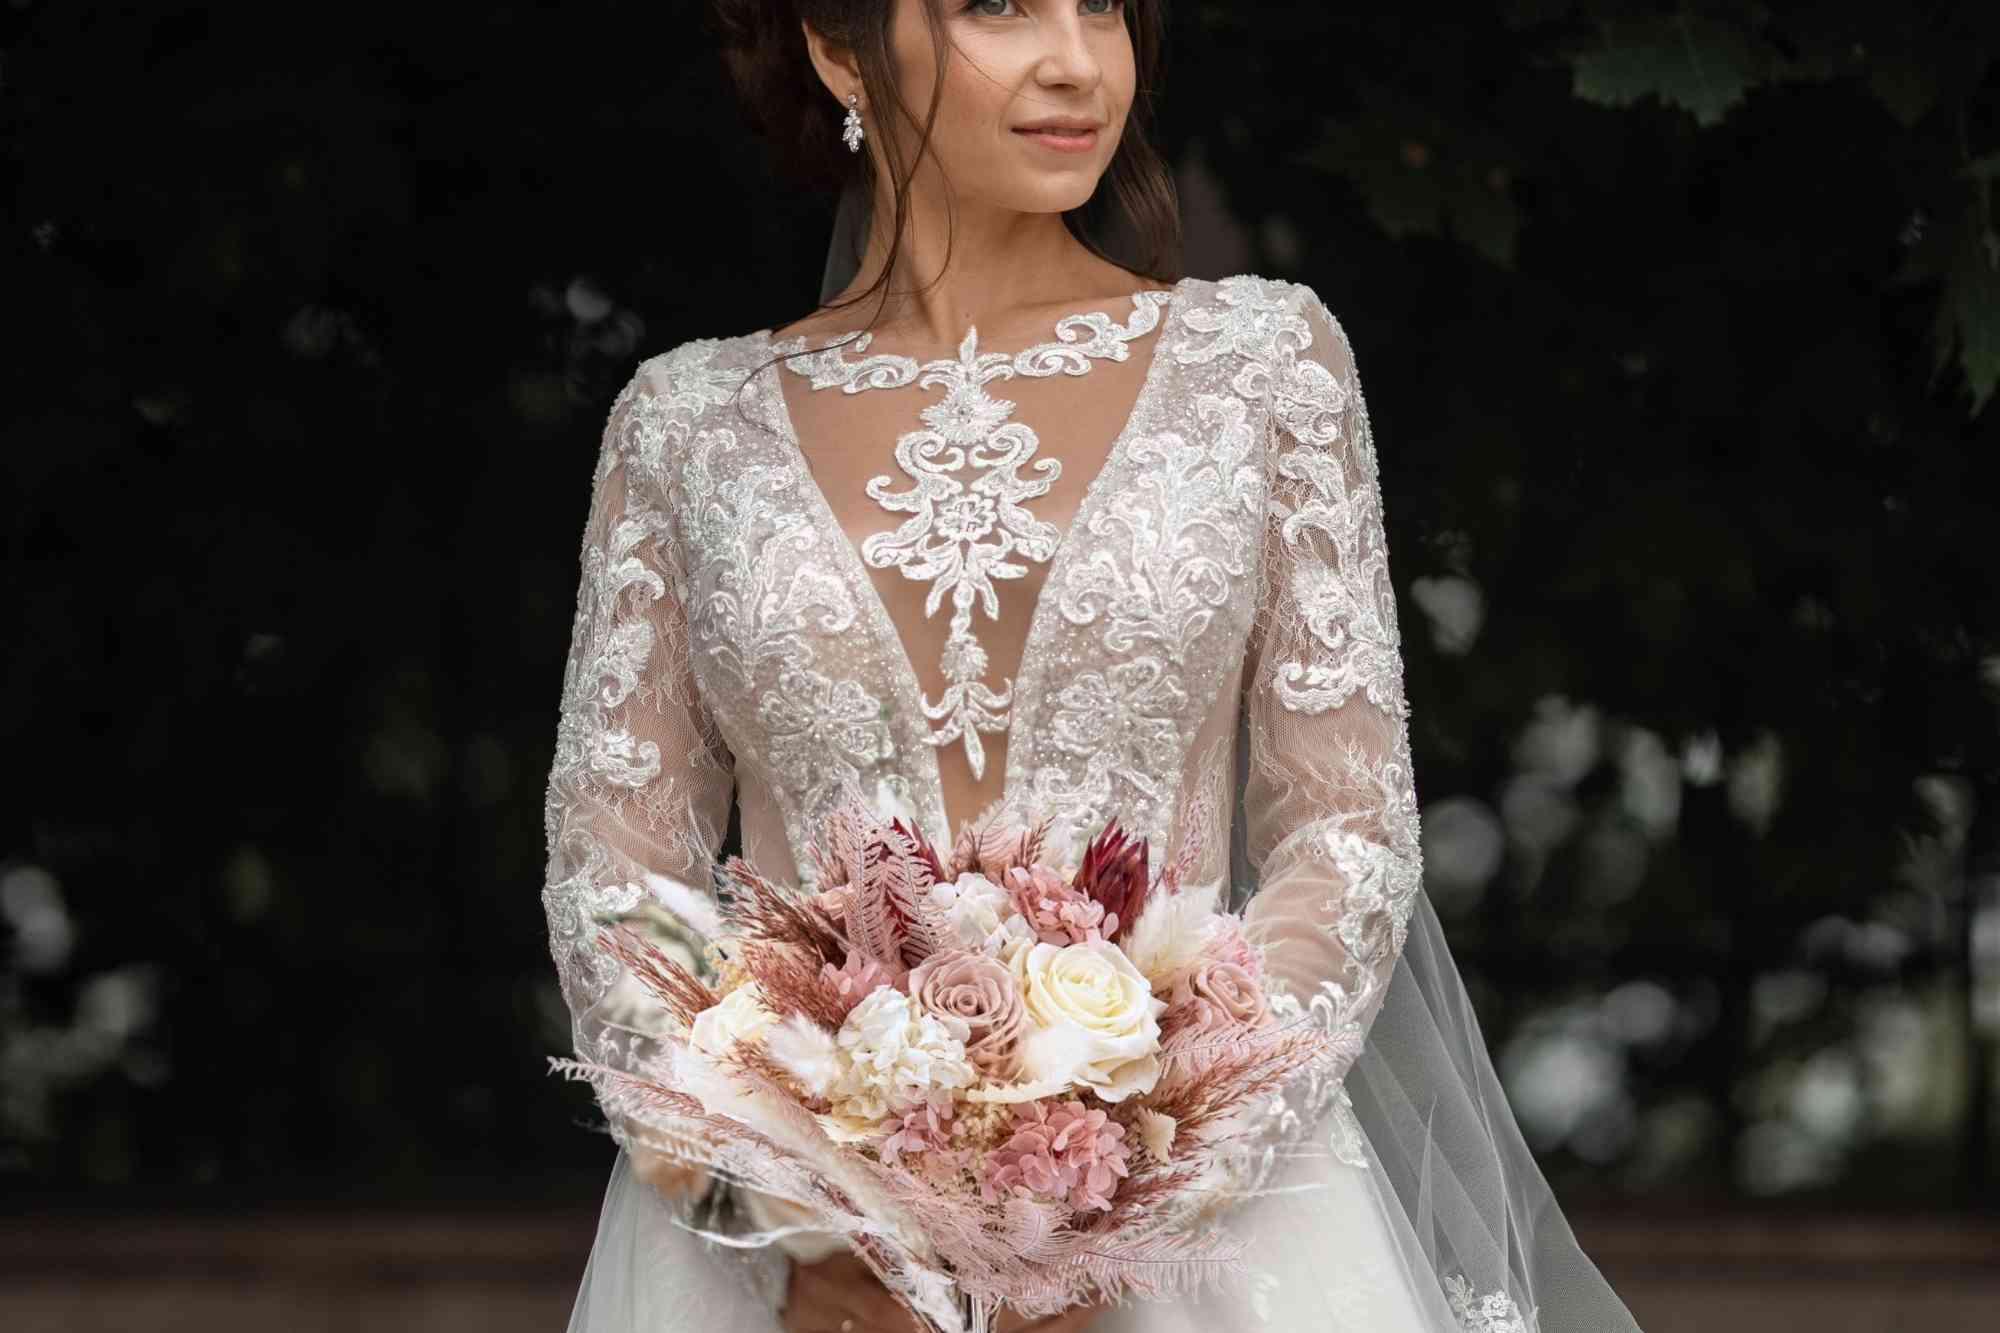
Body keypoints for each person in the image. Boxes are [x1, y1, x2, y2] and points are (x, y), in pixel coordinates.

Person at [542, 3, 1648, 1331]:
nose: (1079, 60)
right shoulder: (681, 427)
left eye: (1108, 5)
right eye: (1000, 5)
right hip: (789, 1263)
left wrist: (1130, 1194)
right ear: (841, 48)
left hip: (1208, 1243)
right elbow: (619, 879)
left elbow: (1345, 836)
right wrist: (776, 1217)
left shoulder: (1264, 368)